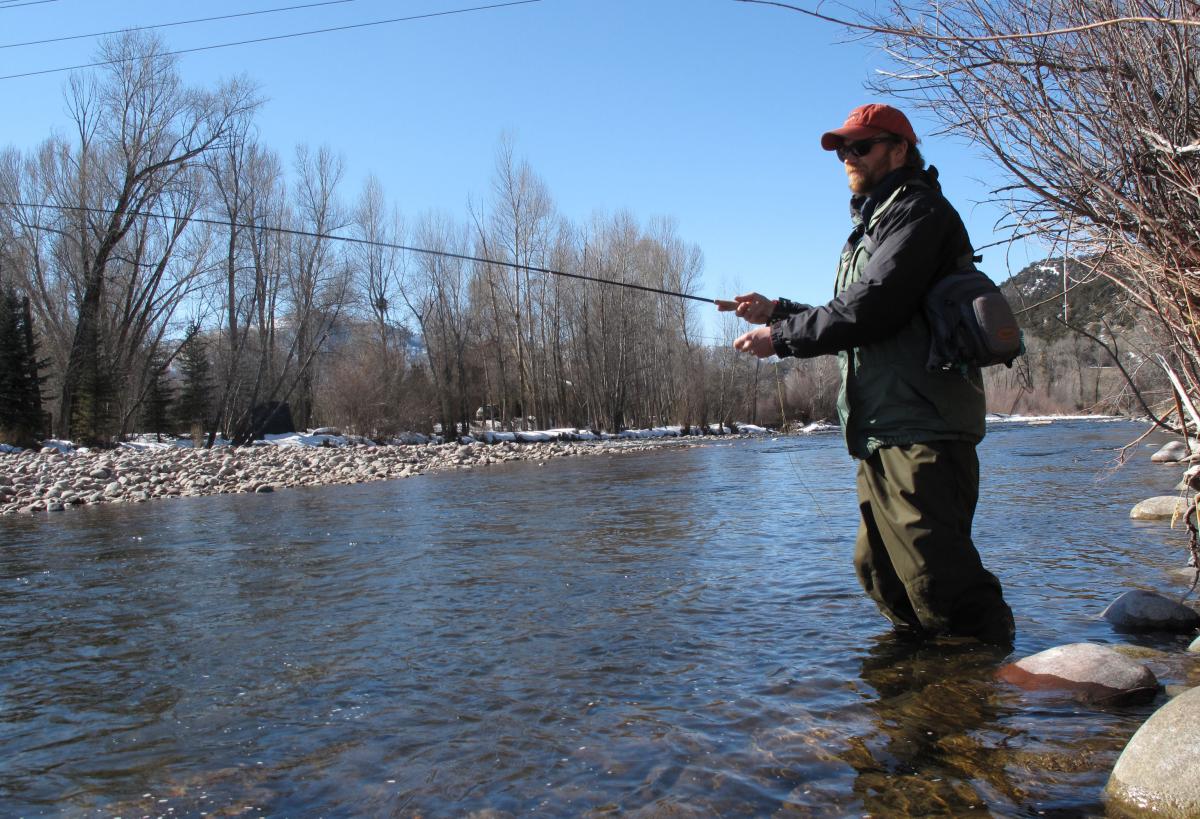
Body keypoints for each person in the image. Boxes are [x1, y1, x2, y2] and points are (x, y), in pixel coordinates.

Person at [720, 103, 1015, 645]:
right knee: (880, 573)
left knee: (937, 576)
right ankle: (925, 689)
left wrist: (781, 338)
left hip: (923, 423)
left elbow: (873, 306)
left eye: (861, 147)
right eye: (842, 151)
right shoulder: (873, 224)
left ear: (899, 149)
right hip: (882, 425)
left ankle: (986, 689)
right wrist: (778, 310)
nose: (848, 159)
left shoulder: (920, 212)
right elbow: (862, 314)